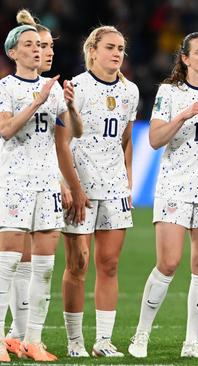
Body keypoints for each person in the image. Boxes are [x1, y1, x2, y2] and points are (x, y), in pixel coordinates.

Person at [127, 32, 198, 359]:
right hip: (175, 187)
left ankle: (192, 342)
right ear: (186, 59)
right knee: (169, 262)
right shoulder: (170, 92)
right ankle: (141, 334)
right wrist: (184, 114)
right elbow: (154, 139)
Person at [0, 22, 81, 361]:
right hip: (14, 181)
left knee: (44, 267)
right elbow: (5, 130)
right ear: (13, 52)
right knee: (8, 261)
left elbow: (74, 131)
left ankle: (34, 340)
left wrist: (72, 107)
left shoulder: (54, 89)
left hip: (47, 182)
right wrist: (37, 102)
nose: (37, 49)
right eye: (29, 44)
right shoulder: (5, 87)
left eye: (40, 44)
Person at [56, 25, 138, 358]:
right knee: (78, 264)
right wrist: (70, 185)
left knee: (110, 264)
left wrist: (128, 181)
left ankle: (103, 341)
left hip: (115, 186)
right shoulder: (75, 88)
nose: (117, 53)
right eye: (110, 47)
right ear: (93, 51)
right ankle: (75, 341)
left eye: (121, 48)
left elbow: (127, 139)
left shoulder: (130, 91)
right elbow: (60, 141)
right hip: (82, 187)